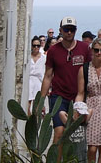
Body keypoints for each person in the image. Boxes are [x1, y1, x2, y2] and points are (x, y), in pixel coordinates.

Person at [38, 16, 88, 155]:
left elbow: (90, 71)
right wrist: (41, 101)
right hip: (59, 97)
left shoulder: (84, 48)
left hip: (78, 97)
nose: (69, 33)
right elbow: (48, 76)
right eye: (66, 29)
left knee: (76, 135)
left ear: (76, 30)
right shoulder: (54, 51)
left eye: (72, 30)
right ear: (61, 30)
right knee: (59, 133)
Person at [25, 36, 46, 115]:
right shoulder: (27, 57)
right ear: (31, 46)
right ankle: (30, 122)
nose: (36, 47)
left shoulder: (44, 58)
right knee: (27, 104)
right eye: (34, 45)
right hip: (29, 82)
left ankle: (36, 124)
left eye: (38, 45)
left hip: (40, 82)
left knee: (38, 106)